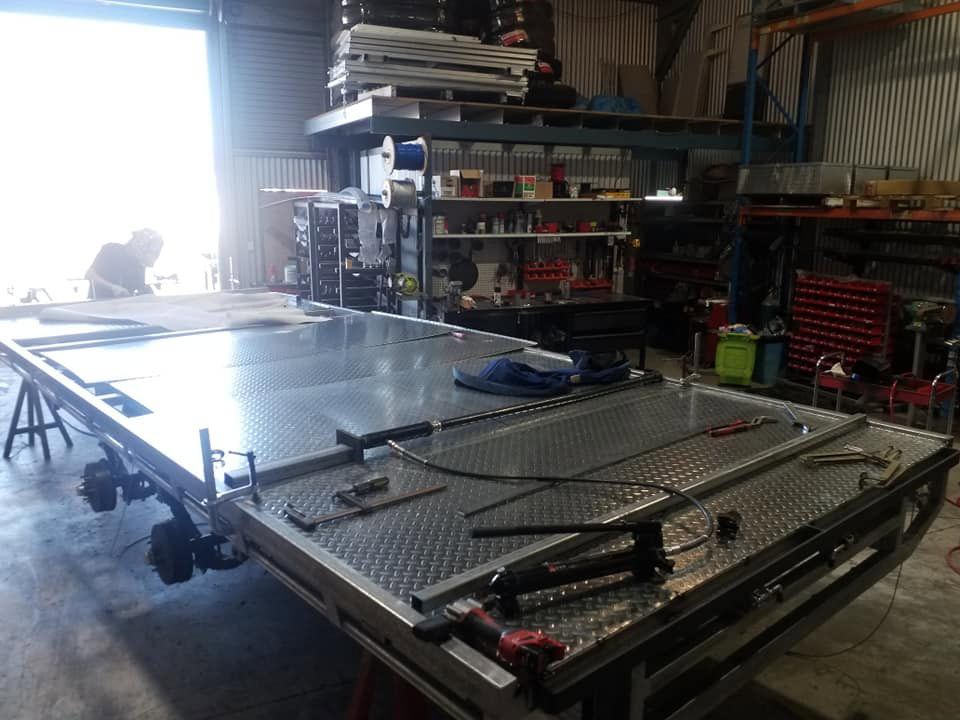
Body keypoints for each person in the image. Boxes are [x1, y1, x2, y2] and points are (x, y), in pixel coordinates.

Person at [86, 228, 164, 299]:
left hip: (122, 308)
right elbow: (89, 274)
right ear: (138, 246)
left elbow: (138, 289)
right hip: (98, 305)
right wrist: (112, 287)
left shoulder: (139, 264)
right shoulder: (111, 249)